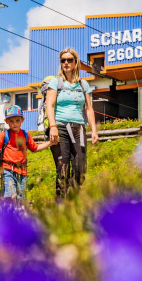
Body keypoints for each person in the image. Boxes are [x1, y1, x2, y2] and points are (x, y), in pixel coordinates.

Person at [46, 47, 99, 199]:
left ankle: (74, 199)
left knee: (80, 166)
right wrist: (53, 127)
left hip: (78, 128)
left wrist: (94, 130)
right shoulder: (55, 83)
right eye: (63, 60)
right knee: (63, 166)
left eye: (70, 60)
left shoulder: (83, 85)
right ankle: (61, 204)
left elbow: (89, 109)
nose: (66, 63)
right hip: (60, 126)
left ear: (76, 63)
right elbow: (50, 105)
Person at [0, 105, 51, 201]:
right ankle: (9, 214)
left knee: (21, 199)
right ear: (6, 121)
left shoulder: (25, 134)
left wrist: (50, 143)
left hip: (22, 172)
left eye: (17, 120)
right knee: (11, 196)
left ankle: (19, 214)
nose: (14, 123)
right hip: (8, 170)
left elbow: (35, 148)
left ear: (22, 120)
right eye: (11, 121)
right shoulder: (4, 135)